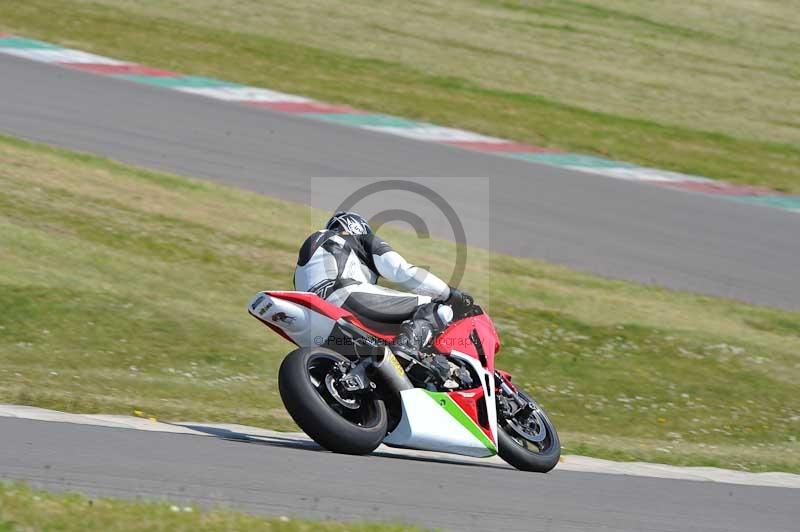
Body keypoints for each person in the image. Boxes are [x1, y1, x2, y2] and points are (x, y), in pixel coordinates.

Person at [294, 211, 472, 380]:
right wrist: (450, 295)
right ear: (356, 226)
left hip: (314, 316)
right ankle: (406, 348)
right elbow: (401, 270)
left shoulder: (308, 260)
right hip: (345, 297)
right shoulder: (358, 238)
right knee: (438, 309)